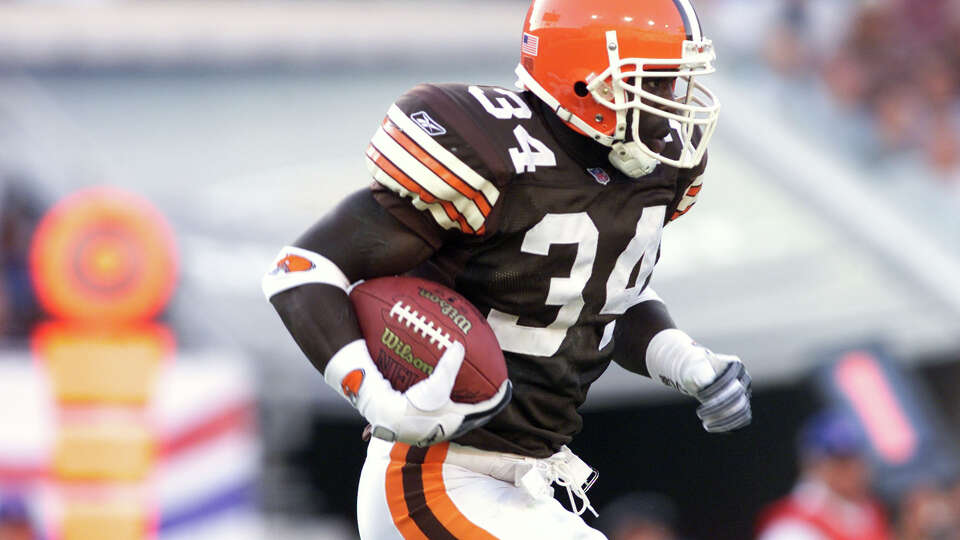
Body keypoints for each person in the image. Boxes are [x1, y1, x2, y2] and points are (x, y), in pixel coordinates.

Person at [264, 0, 752, 537]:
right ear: (585, 80)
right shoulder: (496, 152)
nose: (668, 106)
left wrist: (686, 361)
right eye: (651, 83)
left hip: (526, 480)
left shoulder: (648, 174)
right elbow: (301, 269)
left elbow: (601, 297)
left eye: (672, 83)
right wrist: (378, 398)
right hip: (432, 475)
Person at [756, 411, 891, 540]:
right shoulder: (790, 527)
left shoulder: (869, 512)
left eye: (857, 458)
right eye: (841, 461)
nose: (854, 469)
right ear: (813, 465)